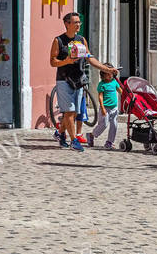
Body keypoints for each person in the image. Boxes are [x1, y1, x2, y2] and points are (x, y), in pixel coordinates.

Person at [50, 12, 118, 152]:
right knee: (69, 112)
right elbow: (52, 61)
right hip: (64, 80)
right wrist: (66, 61)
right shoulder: (59, 40)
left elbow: (90, 58)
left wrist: (107, 69)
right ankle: (74, 141)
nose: (78, 25)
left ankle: (60, 134)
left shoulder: (81, 40)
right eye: (75, 22)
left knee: (74, 114)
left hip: (78, 80)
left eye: (79, 22)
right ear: (67, 24)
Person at [87, 64, 121, 149]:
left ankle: (110, 142)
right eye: (108, 73)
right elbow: (100, 97)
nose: (110, 75)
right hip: (105, 108)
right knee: (104, 124)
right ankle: (92, 135)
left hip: (114, 108)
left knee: (114, 125)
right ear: (103, 75)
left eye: (111, 73)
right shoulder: (101, 84)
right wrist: (102, 108)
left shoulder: (114, 82)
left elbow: (120, 91)